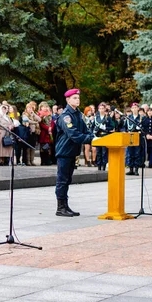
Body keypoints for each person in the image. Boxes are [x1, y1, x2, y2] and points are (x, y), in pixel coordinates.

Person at [55, 89, 94, 217]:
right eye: (74, 98)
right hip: (64, 151)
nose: (77, 100)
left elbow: (85, 130)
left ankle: (65, 206)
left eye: (78, 97)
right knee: (62, 180)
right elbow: (74, 135)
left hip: (72, 151)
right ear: (68, 100)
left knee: (67, 180)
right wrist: (91, 139)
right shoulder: (66, 116)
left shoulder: (77, 114)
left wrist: (91, 136)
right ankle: (60, 207)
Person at [124, 102, 144, 175]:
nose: (134, 109)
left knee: (137, 153)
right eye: (133, 108)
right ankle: (131, 169)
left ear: (138, 108)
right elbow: (125, 127)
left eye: (136, 107)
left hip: (137, 137)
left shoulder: (141, 117)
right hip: (130, 137)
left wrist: (140, 130)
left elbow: (144, 128)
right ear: (131, 109)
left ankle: (136, 169)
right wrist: (126, 132)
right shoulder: (129, 118)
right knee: (130, 153)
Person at [94, 102, 114, 170]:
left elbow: (112, 127)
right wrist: (93, 133)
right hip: (98, 136)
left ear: (105, 109)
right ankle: (99, 167)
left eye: (103, 108)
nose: (101, 110)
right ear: (98, 109)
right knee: (98, 152)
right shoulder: (96, 117)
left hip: (105, 136)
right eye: (100, 108)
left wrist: (106, 128)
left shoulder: (108, 118)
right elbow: (92, 127)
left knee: (104, 152)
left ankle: (103, 167)